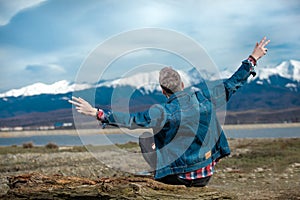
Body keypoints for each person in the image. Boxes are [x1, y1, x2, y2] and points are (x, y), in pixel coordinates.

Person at [69, 37, 270, 187]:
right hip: (205, 173)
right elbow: (232, 83)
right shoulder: (205, 98)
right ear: (182, 84)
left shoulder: (163, 111)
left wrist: (96, 112)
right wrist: (253, 58)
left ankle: (161, 172)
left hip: (179, 176)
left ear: (163, 91)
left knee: (146, 137)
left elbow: (131, 120)